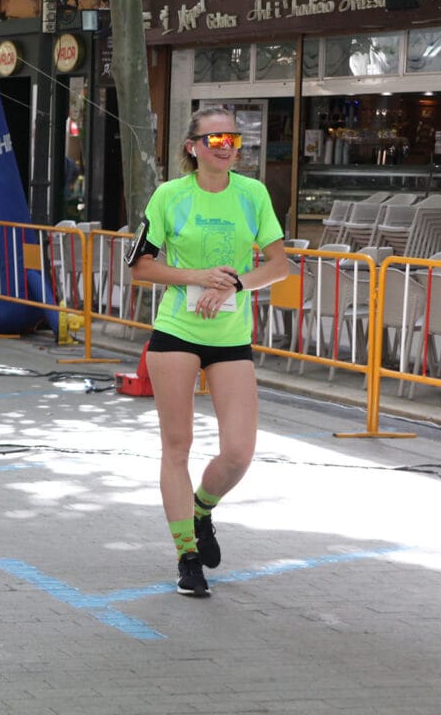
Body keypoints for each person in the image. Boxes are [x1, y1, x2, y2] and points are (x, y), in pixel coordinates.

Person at [127, 107, 289, 597]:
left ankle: (202, 510)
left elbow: (279, 265)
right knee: (177, 446)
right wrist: (198, 276)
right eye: (215, 138)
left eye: (233, 139)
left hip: (231, 336)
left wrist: (237, 283)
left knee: (238, 453)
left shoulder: (252, 194)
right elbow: (141, 267)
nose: (226, 146)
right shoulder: (170, 195)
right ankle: (187, 557)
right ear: (192, 147)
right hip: (177, 331)